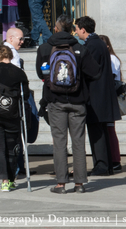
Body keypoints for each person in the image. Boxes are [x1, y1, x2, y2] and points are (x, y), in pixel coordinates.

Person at [38, 22, 100, 194]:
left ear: (56, 28)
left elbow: (40, 73)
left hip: (55, 101)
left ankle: (61, 183)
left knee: (59, 142)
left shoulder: (45, 49)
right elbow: (96, 72)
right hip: (78, 101)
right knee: (78, 142)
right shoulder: (80, 49)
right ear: (72, 30)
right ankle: (80, 183)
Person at [75, 16, 119, 177]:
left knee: (97, 132)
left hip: (96, 96)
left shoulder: (91, 45)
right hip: (101, 94)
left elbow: (89, 70)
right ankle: (106, 165)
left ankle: (101, 165)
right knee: (102, 131)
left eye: (77, 29)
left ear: (83, 29)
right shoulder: (99, 43)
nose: (76, 32)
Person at [0, 44, 29, 191]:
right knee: (11, 147)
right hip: (11, 115)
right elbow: (25, 95)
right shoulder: (19, 73)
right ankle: (11, 178)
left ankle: (3, 180)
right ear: (11, 56)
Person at [99, 34, 123, 172]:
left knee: (110, 130)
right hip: (107, 98)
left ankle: (115, 159)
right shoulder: (109, 58)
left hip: (110, 98)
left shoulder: (112, 59)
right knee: (107, 130)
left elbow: (113, 78)